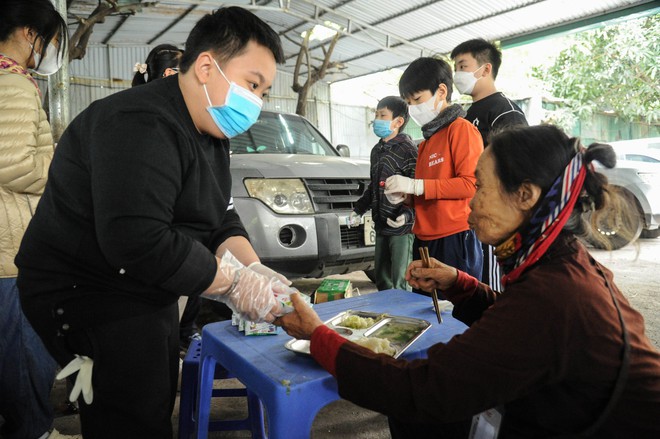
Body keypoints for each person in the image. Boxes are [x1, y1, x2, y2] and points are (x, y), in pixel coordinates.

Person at [276, 124, 660, 438]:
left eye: (480, 187)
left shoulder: (555, 293)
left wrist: (319, 335)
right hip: (564, 411)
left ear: (524, 195)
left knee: (417, 410)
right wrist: (459, 282)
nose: (471, 203)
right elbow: (516, 330)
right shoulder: (559, 263)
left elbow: (421, 390)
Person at [16, 7, 291, 437]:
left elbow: (220, 217)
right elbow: (137, 239)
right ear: (205, 66)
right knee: (132, 408)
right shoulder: (138, 122)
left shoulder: (210, 135)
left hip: (141, 283)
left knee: (157, 382)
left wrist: (255, 270)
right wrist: (233, 285)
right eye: (253, 84)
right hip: (86, 289)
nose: (257, 100)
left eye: (264, 91)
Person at [0, 2, 78, 439]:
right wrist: (66, 164)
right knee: (26, 355)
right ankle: (36, 432)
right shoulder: (12, 84)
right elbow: (12, 165)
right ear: (31, 34)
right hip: (10, 248)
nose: (49, 50)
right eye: (50, 40)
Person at [384, 57, 484, 293]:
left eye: (417, 99)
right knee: (426, 307)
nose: (413, 108)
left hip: (455, 238)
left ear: (441, 91)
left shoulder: (461, 130)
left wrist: (416, 186)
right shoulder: (428, 141)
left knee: (455, 310)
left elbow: (471, 185)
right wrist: (407, 201)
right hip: (425, 239)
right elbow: (431, 190)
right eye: (408, 102)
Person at [130, 43, 203, 354]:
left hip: (182, 232)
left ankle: (184, 334)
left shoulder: (199, 126)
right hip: (152, 239)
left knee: (191, 285)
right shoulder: (134, 122)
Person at [450, 38, 528, 292]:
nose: (457, 74)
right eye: (455, 67)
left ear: (485, 69)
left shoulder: (505, 113)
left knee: (491, 290)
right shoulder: (464, 116)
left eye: (463, 66)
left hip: (494, 216)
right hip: (468, 216)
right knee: (470, 287)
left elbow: (515, 170)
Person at [349, 96, 417, 291]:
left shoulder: (408, 150)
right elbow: (374, 186)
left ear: (398, 121)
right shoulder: (376, 151)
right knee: (382, 279)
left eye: (382, 115)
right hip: (380, 225)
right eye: (376, 114)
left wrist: (407, 216)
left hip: (401, 228)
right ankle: (386, 317)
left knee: (401, 280)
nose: (377, 119)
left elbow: (417, 189)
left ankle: (404, 318)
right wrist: (358, 210)